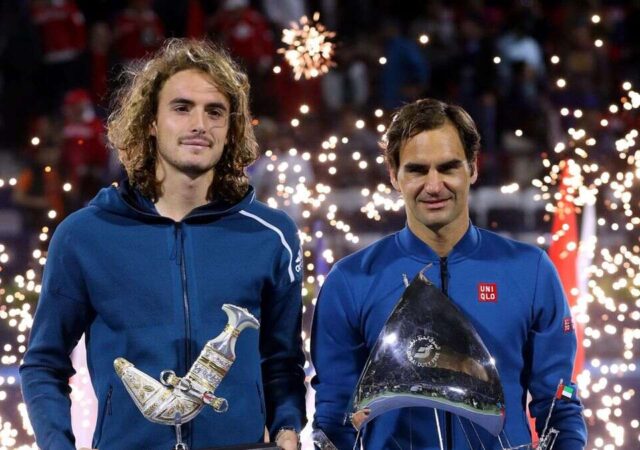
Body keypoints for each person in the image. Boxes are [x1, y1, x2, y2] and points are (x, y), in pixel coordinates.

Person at [20, 38, 306, 450]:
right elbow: (44, 364)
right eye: (181, 108)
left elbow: (282, 362)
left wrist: (287, 428)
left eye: (215, 112)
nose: (199, 125)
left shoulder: (271, 235)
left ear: (231, 129)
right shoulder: (83, 236)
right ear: (151, 121)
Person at [311, 98, 587, 449]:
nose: (434, 185)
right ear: (394, 175)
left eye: (448, 167)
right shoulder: (351, 281)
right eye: (417, 170)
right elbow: (334, 419)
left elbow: (560, 408)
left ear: (472, 168)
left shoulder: (530, 271)